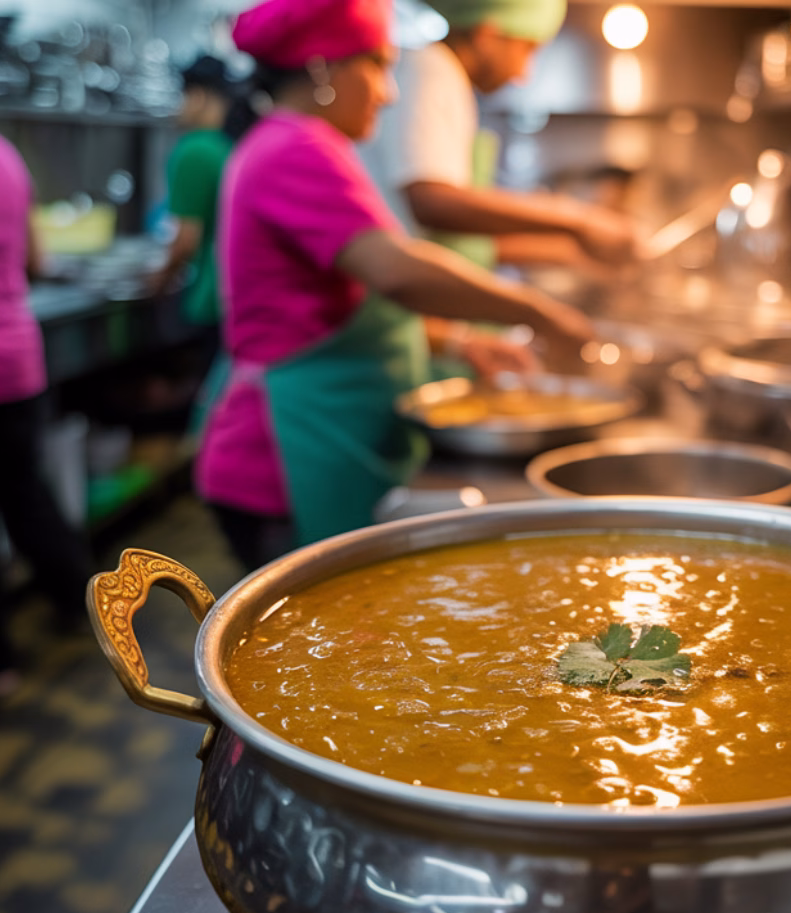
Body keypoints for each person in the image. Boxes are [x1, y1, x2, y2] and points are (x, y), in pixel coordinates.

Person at [195, 0, 593, 571]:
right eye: (377, 67)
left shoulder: (305, 144)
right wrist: (541, 309)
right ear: (322, 70)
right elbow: (396, 272)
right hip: (283, 456)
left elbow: (345, 299)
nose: (390, 91)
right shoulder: (294, 148)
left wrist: (460, 343)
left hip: (315, 441)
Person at [363, 0, 643, 272]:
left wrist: (573, 242)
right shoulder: (430, 70)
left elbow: (460, 229)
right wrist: (579, 220)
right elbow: (432, 202)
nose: (523, 74)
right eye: (527, 50)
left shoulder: (445, 76)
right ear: (487, 35)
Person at [0, 120, 93, 702]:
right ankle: (79, 602)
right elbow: (35, 258)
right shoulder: (1, 153)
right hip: (14, 356)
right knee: (24, 490)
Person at [151, 55, 237, 331]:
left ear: (197, 96)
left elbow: (186, 240)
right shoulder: (232, 145)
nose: (180, 108)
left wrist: (157, 282)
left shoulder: (195, 151)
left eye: (182, 97)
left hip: (211, 297)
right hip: (238, 294)